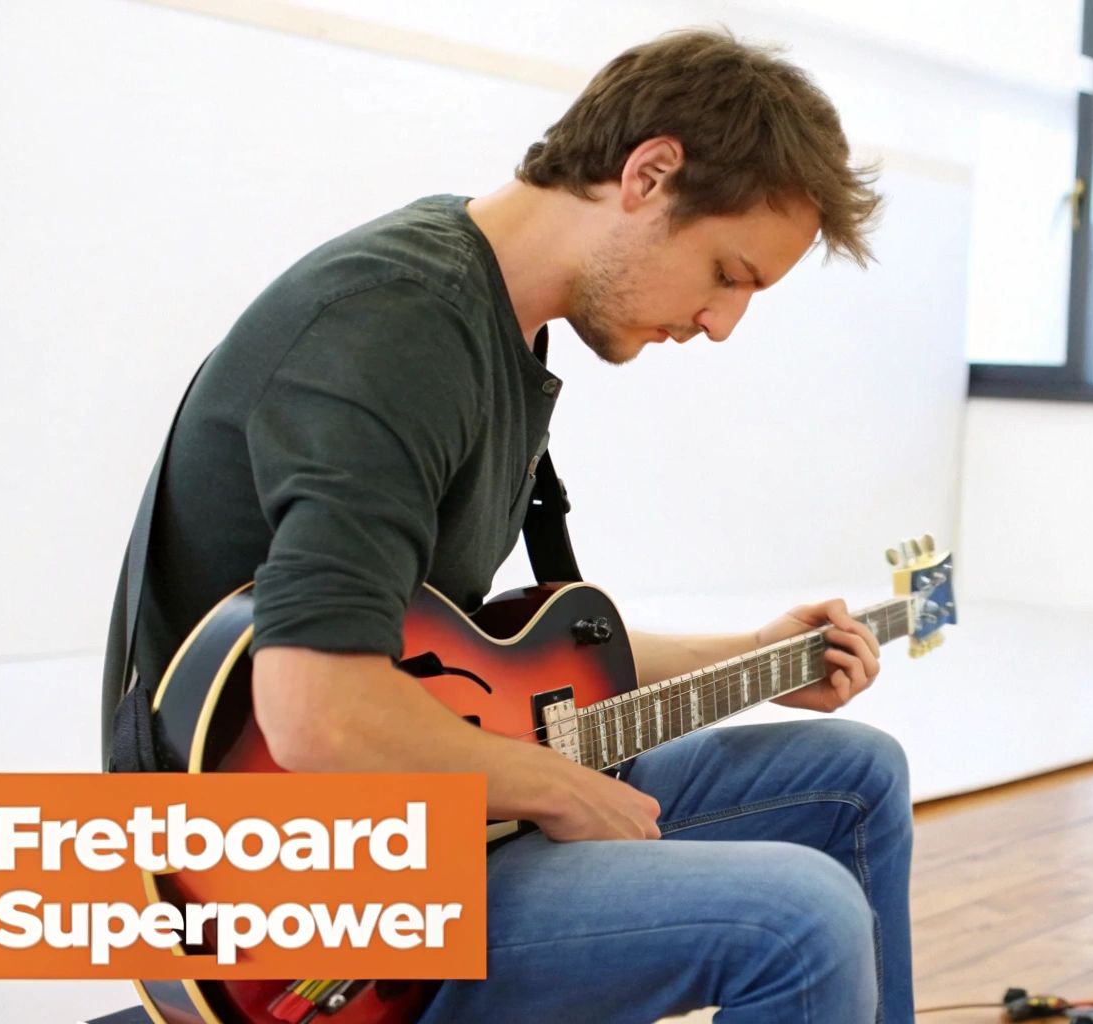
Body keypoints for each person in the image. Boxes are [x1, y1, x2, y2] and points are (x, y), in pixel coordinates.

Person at [102, 28, 914, 1024]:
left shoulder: (494, 322)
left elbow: (471, 664)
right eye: (727, 272)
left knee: (856, 774)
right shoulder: (396, 327)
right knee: (798, 917)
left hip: (426, 819)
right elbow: (316, 710)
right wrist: (555, 788)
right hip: (295, 893)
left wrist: (750, 654)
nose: (721, 323)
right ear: (649, 174)